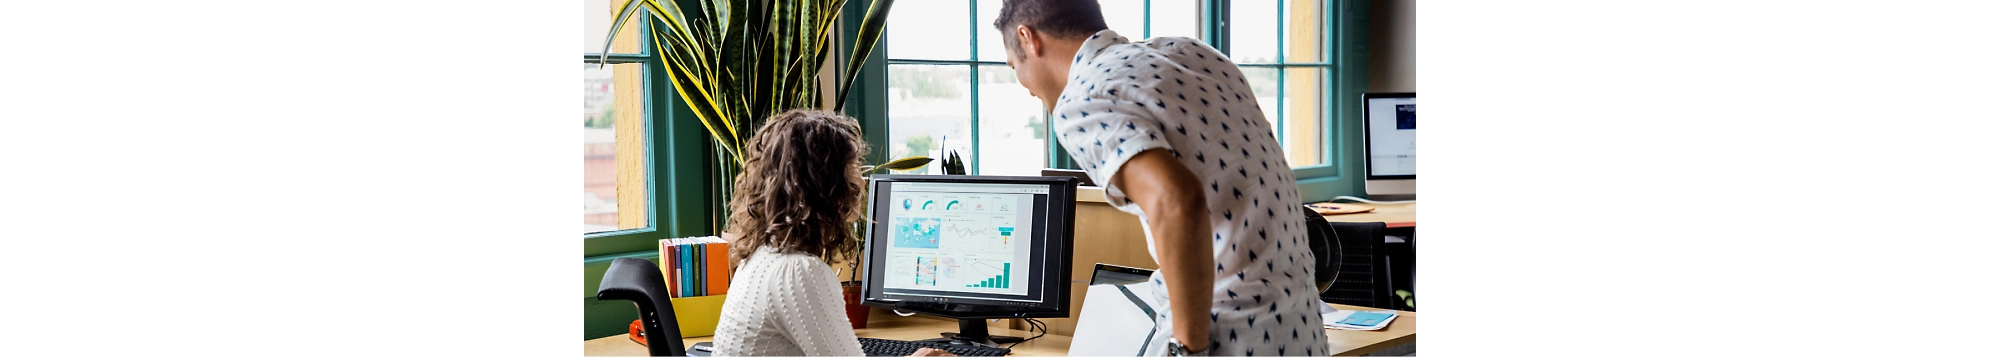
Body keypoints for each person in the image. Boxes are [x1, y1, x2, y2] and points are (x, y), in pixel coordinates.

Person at [990, 1, 1327, 356]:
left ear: (1028, 39)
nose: (1025, 86)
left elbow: (1175, 201)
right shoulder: (1191, 54)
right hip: (1301, 327)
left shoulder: (1083, 98)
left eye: (1015, 67)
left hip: (1228, 337)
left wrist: (1187, 351)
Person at [708, 109, 954, 357]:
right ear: (825, 183)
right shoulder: (798, 272)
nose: (860, 180)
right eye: (852, 168)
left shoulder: (758, 257)